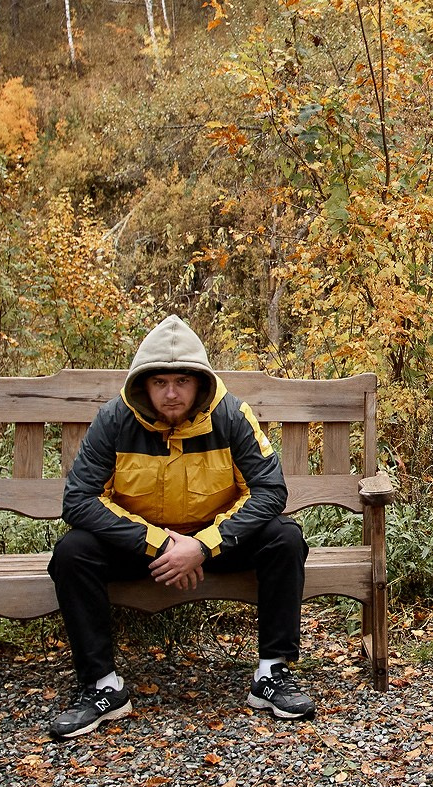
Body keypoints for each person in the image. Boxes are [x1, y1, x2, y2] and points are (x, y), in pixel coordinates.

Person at [46, 315, 314, 738]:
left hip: (217, 544)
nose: (171, 394)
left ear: (201, 383)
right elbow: (78, 500)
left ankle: (271, 673)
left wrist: (203, 545)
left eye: (183, 381)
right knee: (73, 552)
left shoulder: (231, 416)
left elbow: (269, 491)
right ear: (143, 386)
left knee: (285, 538)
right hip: (140, 548)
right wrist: (158, 542)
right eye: (160, 383)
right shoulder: (114, 419)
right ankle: (102, 686)